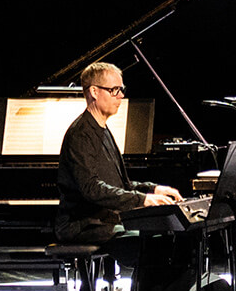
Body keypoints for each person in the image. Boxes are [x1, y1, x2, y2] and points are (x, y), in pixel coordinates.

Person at [54, 62, 182, 243]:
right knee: (151, 240)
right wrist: (142, 200)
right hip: (83, 225)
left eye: (121, 89)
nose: (121, 95)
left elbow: (121, 184)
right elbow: (91, 189)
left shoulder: (102, 129)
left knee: (167, 231)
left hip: (105, 220)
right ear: (94, 92)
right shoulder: (81, 134)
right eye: (114, 90)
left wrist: (153, 189)